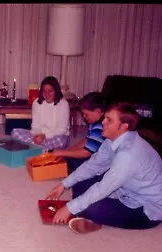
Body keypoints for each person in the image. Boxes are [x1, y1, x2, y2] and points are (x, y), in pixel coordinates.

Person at [46, 102, 162, 234]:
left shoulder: (129, 155)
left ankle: (94, 220)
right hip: (124, 189)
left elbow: (104, 188)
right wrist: (63, 184)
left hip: (147, 208)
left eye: (109, 120)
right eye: (105, 118)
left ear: (123, 126)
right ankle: (92, 219)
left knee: (91, 208)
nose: (103, 123)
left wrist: (69, 208)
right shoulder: (112, 139)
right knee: (80, 183)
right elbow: (94, 165)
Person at [11, 76, 70, 152]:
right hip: (39, 136)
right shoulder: (36, 102)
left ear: (56, 91)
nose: (47, 94)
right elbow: (35, 125)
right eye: (44, 91)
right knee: (15, 132)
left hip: (56, 136)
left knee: (61, 141)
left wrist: (44, 136)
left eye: (50, 91)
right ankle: (42, 149)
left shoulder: (63, 104)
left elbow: (62, 130)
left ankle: (34, 148)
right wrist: (37, 136)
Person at [52, 92, 106, 173]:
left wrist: (62, 152)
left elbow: (86, 153)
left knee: (72, 163)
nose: (84, 117)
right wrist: (68, 151)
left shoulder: (99, 128)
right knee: (68, 157)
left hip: (99, 162)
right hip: (93, 156)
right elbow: (86, 140)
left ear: (98, 111)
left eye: (86, 114)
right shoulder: (94, 124)